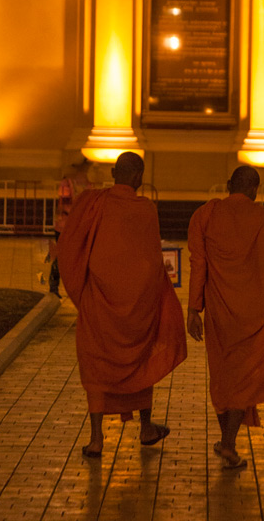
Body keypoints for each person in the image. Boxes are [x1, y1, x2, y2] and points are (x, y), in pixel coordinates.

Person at [57, 151, 187, 457]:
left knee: (96, 367)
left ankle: (96, 439)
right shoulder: (145, 210)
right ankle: (145, 428)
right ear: (138, 178)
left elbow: (69, 246)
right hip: (137, 305)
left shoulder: (92, 203)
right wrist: (155, 298)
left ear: (115, 173)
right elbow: (152, 261)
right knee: (140, 360)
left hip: (99, 301)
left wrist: (83, 287)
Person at [187, 165, 264, 469]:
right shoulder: (263, 216)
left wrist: (193, 308)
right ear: (255, 191)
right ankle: (228, 443)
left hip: (218, 310)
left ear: (228, 185)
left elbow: (198, 264)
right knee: (245, 376)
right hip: (254, 310)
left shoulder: (205, 215)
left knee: (224, 374)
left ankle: (227, 441)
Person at [48, 157, 95, 296]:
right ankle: (54, 286)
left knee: (81, 258)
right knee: (61, 256)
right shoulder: (67, 184)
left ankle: (80, 288)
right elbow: (65, 205)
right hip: (65, 226)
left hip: (81, 227)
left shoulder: (88, 185)